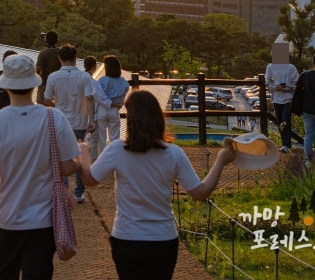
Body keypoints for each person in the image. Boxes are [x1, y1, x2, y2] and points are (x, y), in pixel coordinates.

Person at [78, 90, 235, 280]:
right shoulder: (174, 153)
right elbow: (200, 193)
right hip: (164, 238)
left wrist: (83, 155)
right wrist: (220, 160)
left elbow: (90, 180)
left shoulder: (117, 150)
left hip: (128, 237)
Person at [0, 54, 80, 280]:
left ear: (6, 85)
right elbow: (68, 167)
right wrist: (82, 159)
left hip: (4, 218)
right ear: (34, 82)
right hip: (42, 220)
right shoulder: (54, 117)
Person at [44, 44, 94, 203]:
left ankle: (64, 191)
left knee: (60, 157)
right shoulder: (85, 77)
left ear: (59, 59)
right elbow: (90, 99)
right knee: (80, 155)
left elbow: (46, 99)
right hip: (81, 122)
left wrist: (55, 106)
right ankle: (78, 192)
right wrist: (91, 120)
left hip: (61, 123)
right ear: (75, 59)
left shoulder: (53, 77)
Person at [265, 56, 299, 153]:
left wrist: (285, 88)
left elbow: (296, 84)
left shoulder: (291, 67)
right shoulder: (270, 67)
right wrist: (276, 87)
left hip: (288, 98)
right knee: (279, 120)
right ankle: (285, 143)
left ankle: (286, 145)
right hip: (276, 98)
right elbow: (268, 82)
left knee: (285, 120)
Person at [96, 55, 129, 155]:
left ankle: (102, 160)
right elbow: (124, 96)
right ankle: (115, 160)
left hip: (102, 110)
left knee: (101, 138)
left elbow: (98, 96)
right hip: (115, 111)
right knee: (114, 138)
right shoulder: (124, 82)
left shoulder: (102, 80)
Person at [83, 55, 112, 160]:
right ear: (94, 66)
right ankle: (92, 163)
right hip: (91, 118)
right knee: (93, 140)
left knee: (83, 139)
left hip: (78, 117)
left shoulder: (78, 80)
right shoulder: (94, 83)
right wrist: (115, 104)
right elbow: (103, 99)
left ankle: (82, 161)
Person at [34, 31, 61, 106]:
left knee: (41, 106)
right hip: (58, 85)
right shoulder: (61, 52)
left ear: (46, 41)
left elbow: (38, 70)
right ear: (57, 41)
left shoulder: (43, 53)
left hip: (44, 85)